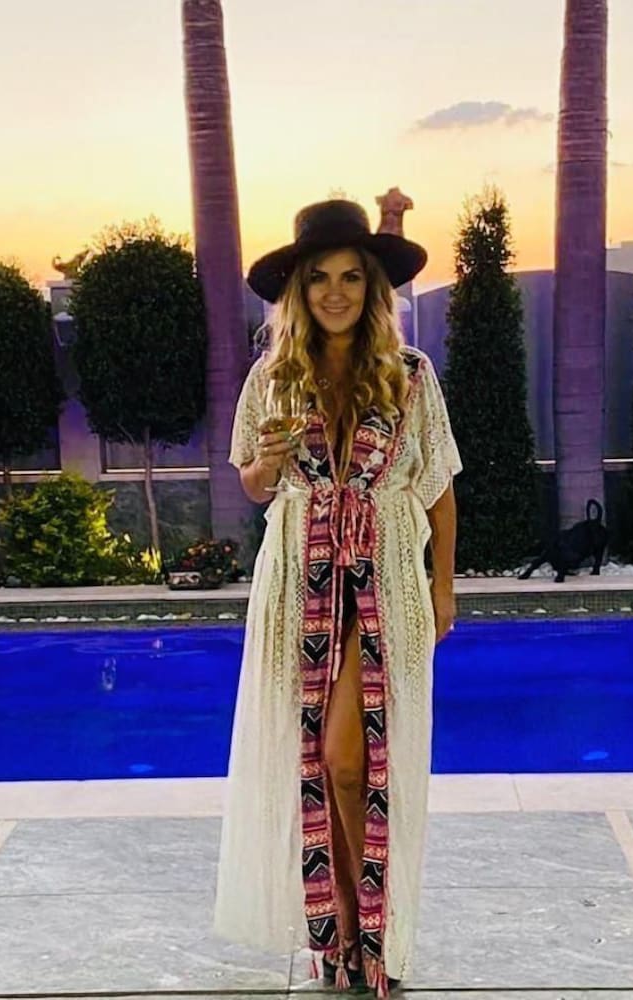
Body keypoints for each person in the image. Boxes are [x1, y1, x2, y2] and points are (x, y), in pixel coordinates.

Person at [214, 199, 462, 996]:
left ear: (373, 287)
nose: (335, 292)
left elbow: (439, 488)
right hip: (300, 580)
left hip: (385, 575)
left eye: (352, 277)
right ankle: (343, 934)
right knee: (318, 764)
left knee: (350, 758)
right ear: (298, 290)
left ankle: (373, 935)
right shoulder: (272, 378)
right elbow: (254, 485)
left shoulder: (411, 375)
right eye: (319, 277)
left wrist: (443, 585)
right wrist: (268, 460)